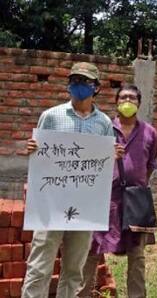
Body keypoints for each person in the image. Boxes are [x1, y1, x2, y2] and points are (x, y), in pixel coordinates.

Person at [23, 62, 123, 298]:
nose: (79, 86)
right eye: (75, 80)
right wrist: (32, 149)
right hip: (50, 205)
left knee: (74, 271)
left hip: (85, 208)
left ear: (96, 88)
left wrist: (112, 155)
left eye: (85, 82)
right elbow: (41, 156)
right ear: (69, 84)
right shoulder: (51, 116)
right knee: (39, 267)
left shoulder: (104, 124)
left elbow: (104, 166)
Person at [78, 84, 157, 298]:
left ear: (139, 103)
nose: (127, 101)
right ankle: (82, 294)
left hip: (136, 201)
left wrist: (137, 185)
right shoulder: (103, 128)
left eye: (132, 98)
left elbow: (151, 165)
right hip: (104, 199)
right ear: (116, 102)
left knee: (137, 255)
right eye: (123, 97)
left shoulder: (149, 132)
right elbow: (89, 160)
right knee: (92, 249)